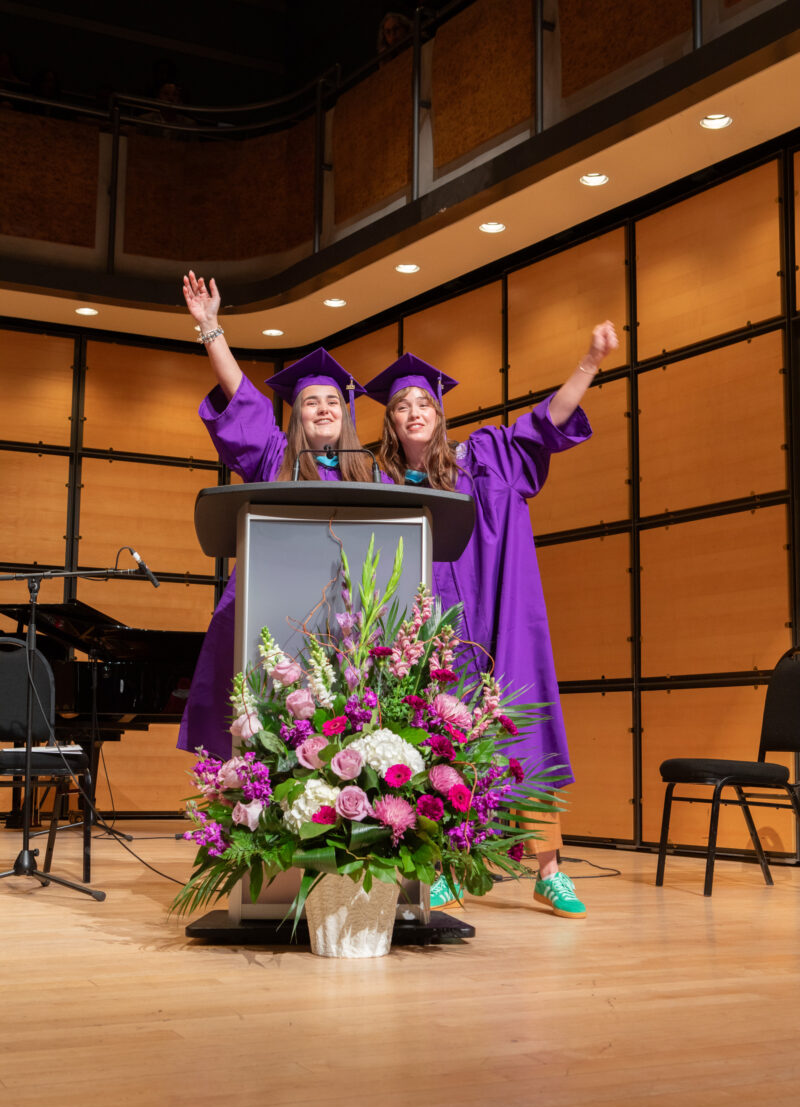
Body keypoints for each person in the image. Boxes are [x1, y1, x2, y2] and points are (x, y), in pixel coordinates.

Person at [366, 323, 619, 917]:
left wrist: (588, 361)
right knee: (438, 742)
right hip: (430, 636)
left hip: (501, 617)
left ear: (440, 414)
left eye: (423, 403)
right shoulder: (381, 484)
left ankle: (549, 869)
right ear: (391, 423)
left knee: (524, 733)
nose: (413, 412)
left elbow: (548, 423)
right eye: (402, 406)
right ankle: (449, 866)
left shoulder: (486, 457)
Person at [178, 271, 377, 761]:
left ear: (346, 413)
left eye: (333, 401)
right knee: (258, 722)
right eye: (312, 402)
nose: (324, 409)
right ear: (297, 415)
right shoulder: (276, 457)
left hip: (343, 622)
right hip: (270, 610)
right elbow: (242, 398)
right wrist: (211, 328)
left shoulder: (371, 473)